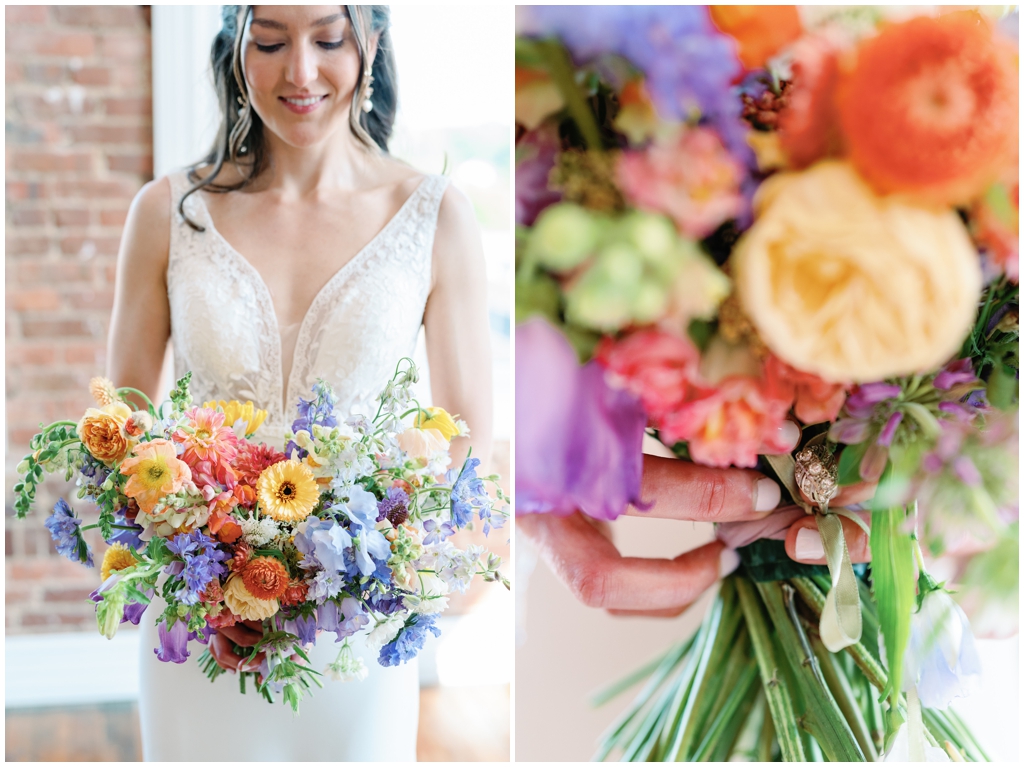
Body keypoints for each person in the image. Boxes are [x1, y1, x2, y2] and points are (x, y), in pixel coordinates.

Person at [105, 5, 492, 760]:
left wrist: (424, 577)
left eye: (328, 38)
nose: (301, 73)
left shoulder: (434, 215)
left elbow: (469, 442)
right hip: (200, 623)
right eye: (273, 42)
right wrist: (195, 573)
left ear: (370, 42)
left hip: (358, 631)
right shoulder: (166, 212)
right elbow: (122, 434)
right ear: (237, 44)